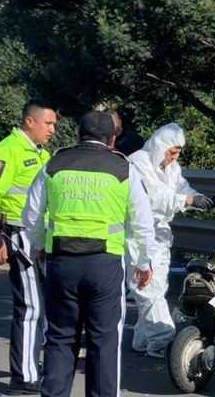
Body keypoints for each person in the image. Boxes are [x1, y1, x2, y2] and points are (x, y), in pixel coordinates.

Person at [23, 111, 156, 397]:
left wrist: (40, 247)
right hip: (104, 265)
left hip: (62, 262)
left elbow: (32, 215)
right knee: (104, 341)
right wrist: (144, 263)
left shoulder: (54, 163)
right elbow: (143, 222)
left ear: (79, 134)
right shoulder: (123, 168)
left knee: (59, 337)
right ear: (112, 140)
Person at [0, 99, 57, 395]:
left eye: (54, 125)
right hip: (18, 234)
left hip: (39, 236)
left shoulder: (41, 154)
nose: (52, 129)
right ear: (29, 122)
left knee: (43, 305)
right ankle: (23, 377)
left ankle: (32, 365)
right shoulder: (7, 150)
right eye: (48, 123)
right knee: (31, 306)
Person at [126, 123, 213, 358]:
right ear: (160, 146)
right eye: (171, 151)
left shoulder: (172, 168)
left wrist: (198, 198)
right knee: (147, 288)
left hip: (160, 235)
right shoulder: (138, 162)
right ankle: (163, 340)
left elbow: (181, 188)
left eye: (178, 153)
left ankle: (143, 340)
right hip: (137, 234)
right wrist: (187, 201)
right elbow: (153, 198)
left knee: (158, 288)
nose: (174, 157)